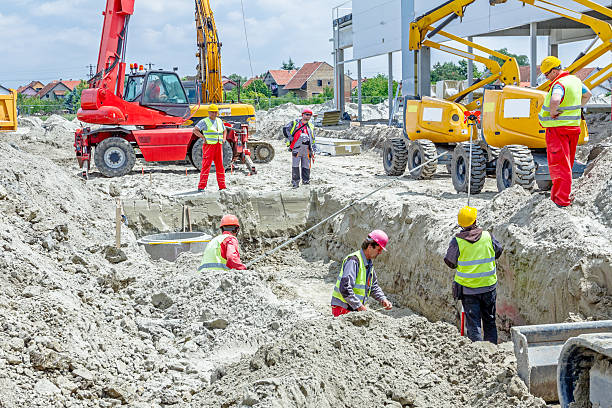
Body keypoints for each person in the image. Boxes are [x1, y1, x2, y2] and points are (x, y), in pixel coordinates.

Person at [444, 206, 503, 344]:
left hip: (469, 290)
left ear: (460, 224)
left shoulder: (457, 241)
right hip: (489, 287)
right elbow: (498, 250)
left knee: (474, 324)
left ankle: (478, 352)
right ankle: (492, 349)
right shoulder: (488, 236)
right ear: (475, 220)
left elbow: (450, 262)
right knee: (489, 321)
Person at [538, 56, 592, 207]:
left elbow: (555, 99)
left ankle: (562, 200)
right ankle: (557, 197)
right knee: (566, 164)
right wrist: (577, 107)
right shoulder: (575, 81)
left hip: (558, 130)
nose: (546, 78)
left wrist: (554, 112)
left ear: (554, 71)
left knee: (559, 166)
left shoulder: (558, 84)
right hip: (573, 128)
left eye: (547, 74)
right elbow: (588, 94)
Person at [331, 230, 393, 316]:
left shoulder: (368, 264)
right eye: (379, 249)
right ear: (370, 246)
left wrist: (383, 299)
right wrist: (359, 306)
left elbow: (373, 287)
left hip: (353, 309)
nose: (380, 252)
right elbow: (345, 288)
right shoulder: (354, 261)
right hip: (343, 309)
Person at [193, 104, 227, 192]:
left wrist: (224, 138)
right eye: (212, 112)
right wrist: (203, 137)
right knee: (206, 165)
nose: (214, 114)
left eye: (216, 112)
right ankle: (201, 186)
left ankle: (222, 186)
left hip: (218, 146)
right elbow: (195, 130)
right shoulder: (204, 121)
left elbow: (224, 130)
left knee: (220, 166)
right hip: (209, 146)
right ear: (209, 112)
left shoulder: (219, 121)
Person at [283, 108, 317, 188]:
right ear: (302, 115)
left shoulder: (310, 125)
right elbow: (285, 129)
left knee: (306, 166)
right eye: (306, 114)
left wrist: (314, 148)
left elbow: (313, 137)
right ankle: (295, 183)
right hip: (297, 148)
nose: (308, 116)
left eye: (310, 115)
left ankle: (306, 181)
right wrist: (291, 139)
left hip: (307, 149)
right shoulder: (295, 123)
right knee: (295, 166)